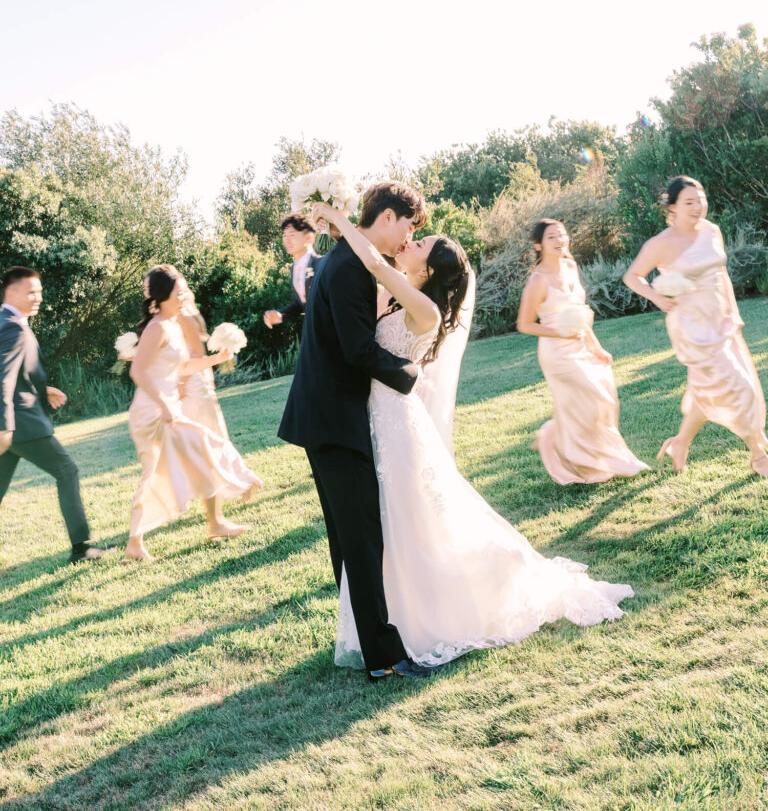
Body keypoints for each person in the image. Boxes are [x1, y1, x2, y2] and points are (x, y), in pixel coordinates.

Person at [313, 203, 635, 672]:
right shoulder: (404, 300)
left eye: (419, 245)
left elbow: (376, 265)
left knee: (408, 521)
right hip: (378, 420)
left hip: (396, 423)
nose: (410, 243)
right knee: (394, 523)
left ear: (428, 269)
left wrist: (338, 218)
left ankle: (431, 614)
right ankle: (396, 617)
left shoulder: (422, 307)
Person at [278, 182, 432, 680]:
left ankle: (359, 637)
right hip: (334, 417)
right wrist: (411, 375)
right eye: (408, 226)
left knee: (349, 537)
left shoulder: (344, 260)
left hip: (325, 414)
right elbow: (357, 349)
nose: (407, 237)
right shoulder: (347, 268)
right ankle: (384, 657)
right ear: (387, 217)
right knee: (361, 537)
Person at [623, 176, 768, 476]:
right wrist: (656, 298)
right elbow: (632, 276)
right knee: (741, 387)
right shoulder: (660, 244)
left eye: (700, 199)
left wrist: (734, 313)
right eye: (689, 201)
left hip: (720, 318)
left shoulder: (712, 230)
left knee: (711, 388)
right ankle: (759, 454)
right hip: (692, 326)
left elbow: (721, 273)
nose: (698, 206)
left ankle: (681, 442)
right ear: (673, 207)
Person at [125, 265, 261, 561]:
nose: (183, 296)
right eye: (177, 293)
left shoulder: (173, 325)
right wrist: (164, 404)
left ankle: (231, 496)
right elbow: (138, 370)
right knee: (166, 466)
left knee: (194, 450)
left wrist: (217, 358)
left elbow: (182, 368)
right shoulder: (158, 326)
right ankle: (240, 484)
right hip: (152, 414)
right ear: (162, 297)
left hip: (166, 411)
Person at [517, 220, 648, 485]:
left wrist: (596, 346)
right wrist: (559, 332)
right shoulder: (538, 280)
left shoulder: (570, 267)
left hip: (579, 344)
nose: (560, 240)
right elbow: (524, 324)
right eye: (552, 236)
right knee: (595, 396)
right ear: (538, 244)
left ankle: (557, 439)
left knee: (603, 400)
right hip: (557, 353)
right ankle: (589, 457)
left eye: (562, 234)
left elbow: (579, 313)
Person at [0, 266, 113, 564]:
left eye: (40, 291)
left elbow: (15, 371)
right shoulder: (12, 326)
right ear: (11, 292)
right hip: (21, 425)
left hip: (16, 423)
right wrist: (4, 425)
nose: (38, 297)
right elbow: (2, 376)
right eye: (31, 292)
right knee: (68, 471)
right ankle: (82, 549)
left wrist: (41, 389)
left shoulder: (7, 322)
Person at [263, 214, 323, 330]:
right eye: (285, 235)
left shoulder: (322, 264)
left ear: (309, 237)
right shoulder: (293, 268)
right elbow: (300, 305)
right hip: (312, 334)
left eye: (292, 235)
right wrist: (280, 315)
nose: (287, 240)